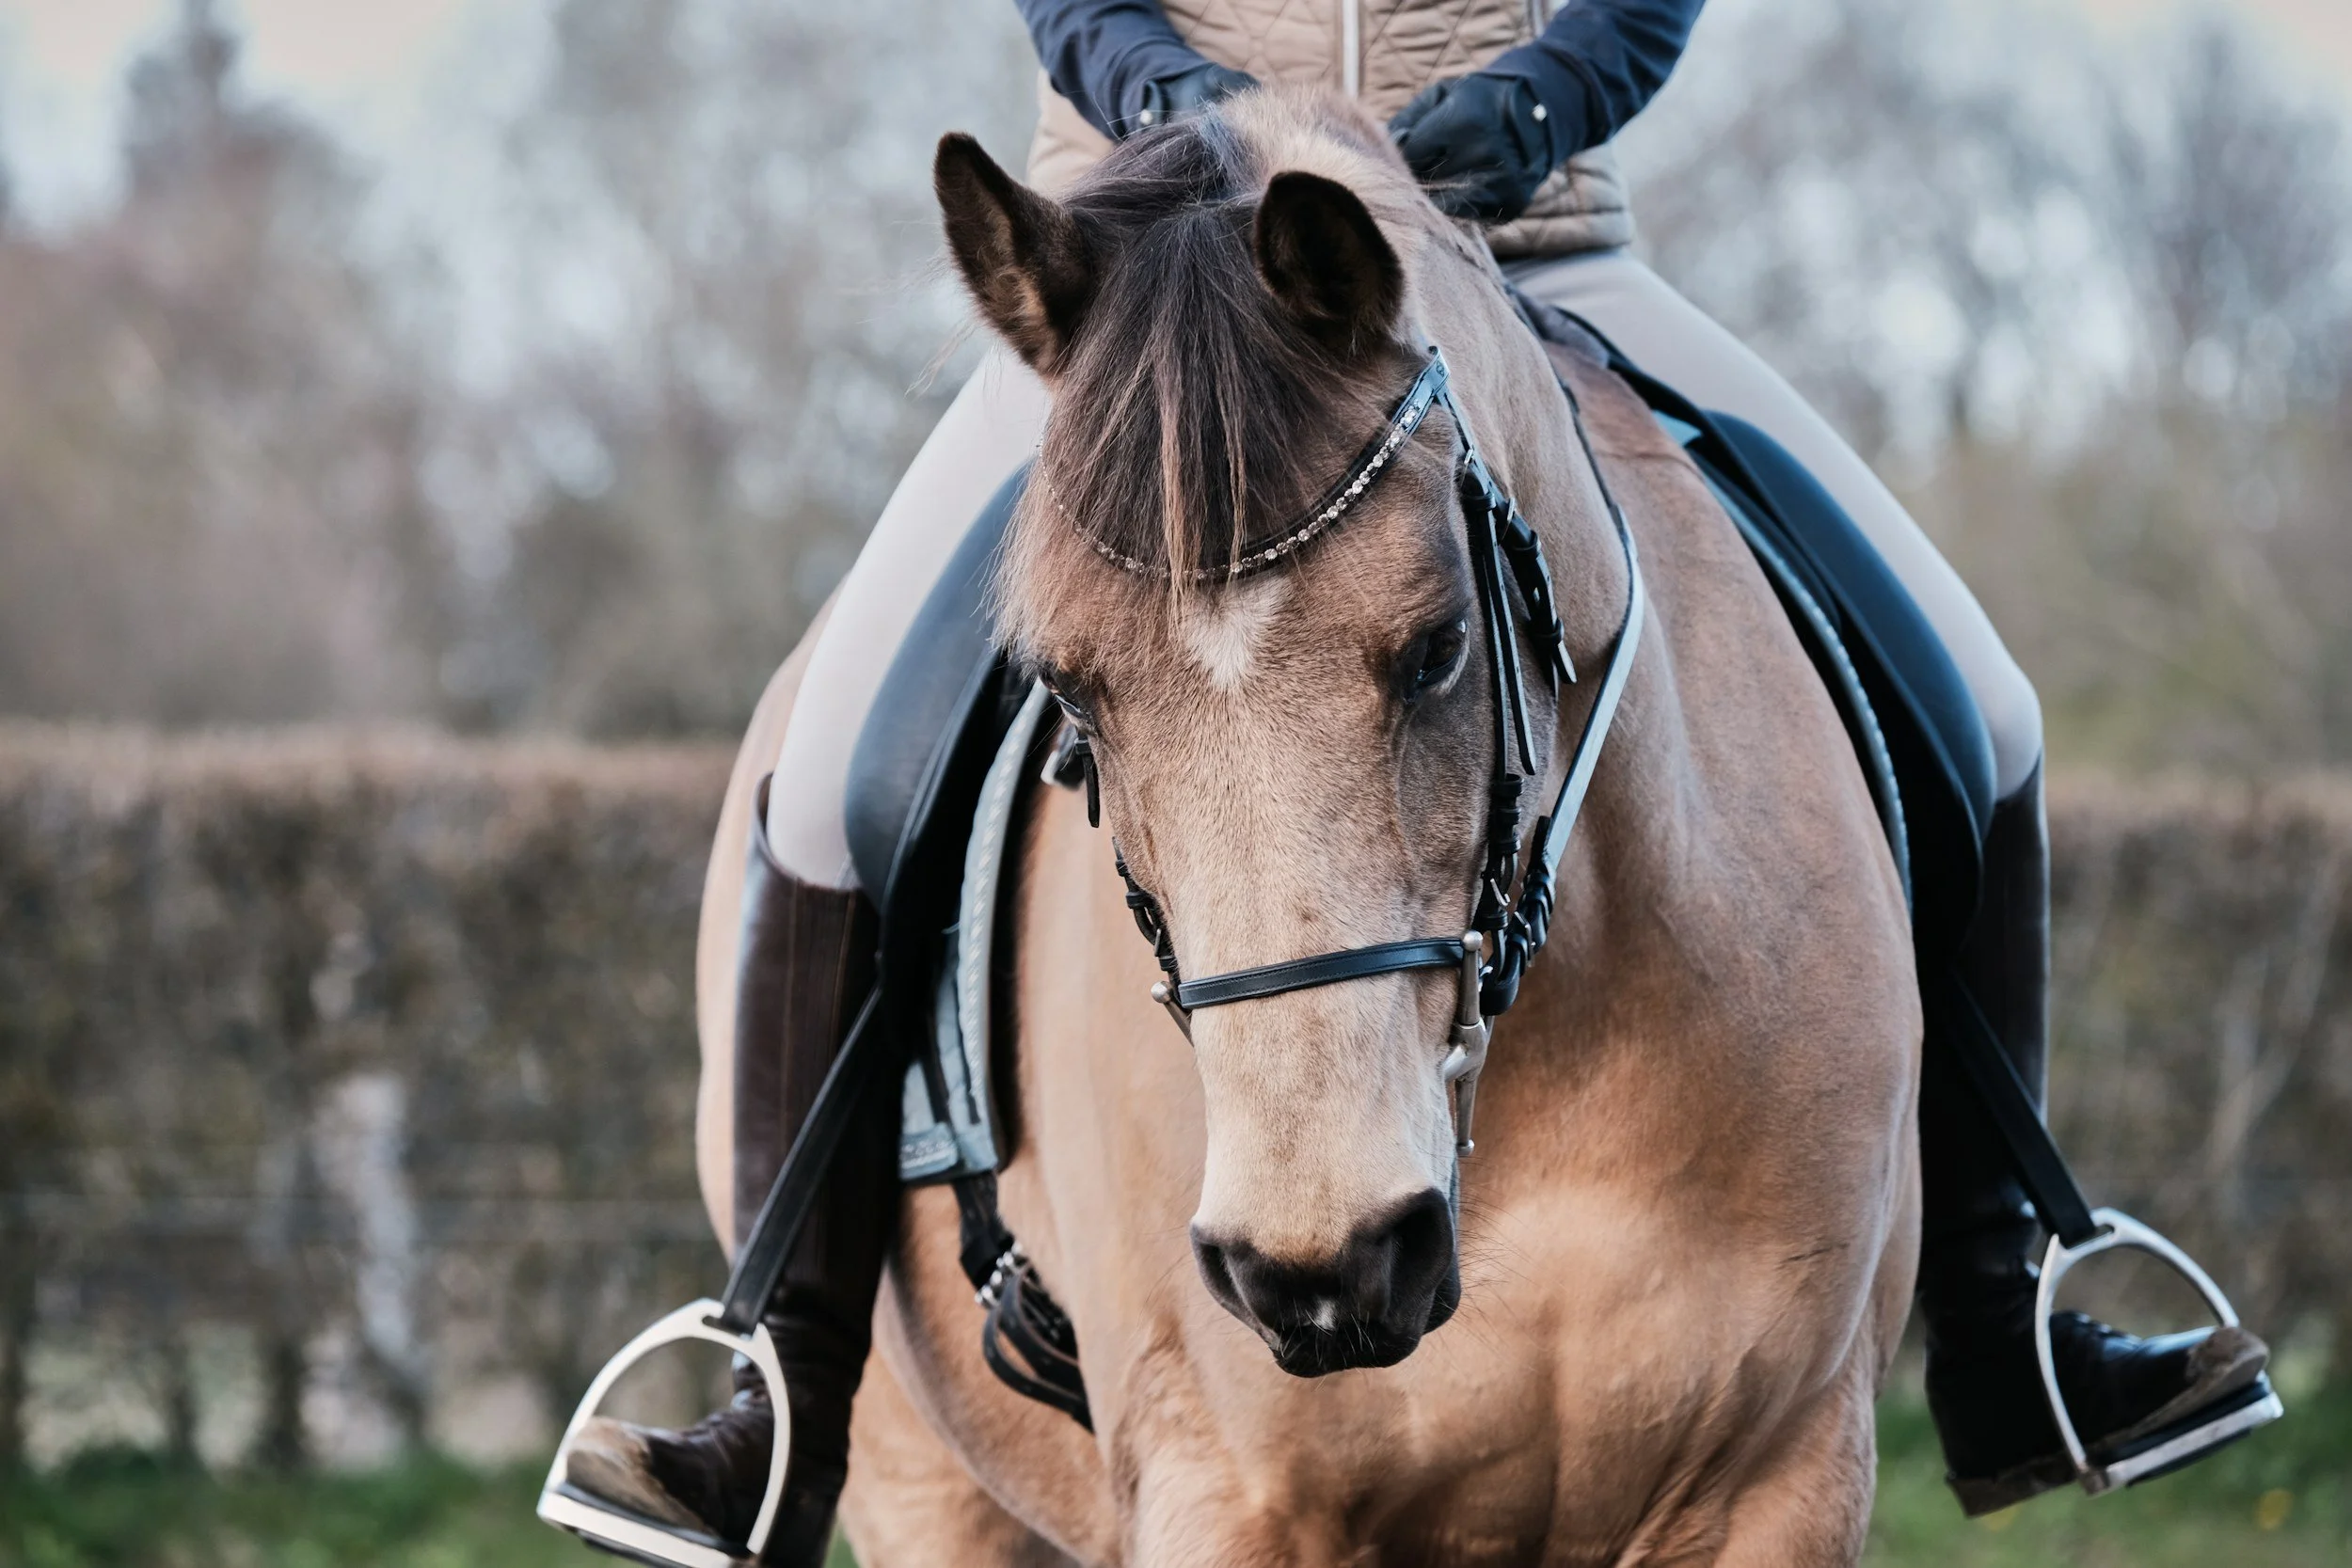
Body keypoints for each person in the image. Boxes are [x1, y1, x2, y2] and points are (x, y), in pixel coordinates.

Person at [572, 0, 2269, 1556]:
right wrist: (1178, 98)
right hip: (1147, 262)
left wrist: (1528, 108)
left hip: (1523, 241)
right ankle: (775, 1369)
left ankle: (2003, 1301)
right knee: (829, 768)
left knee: (1980, 693)